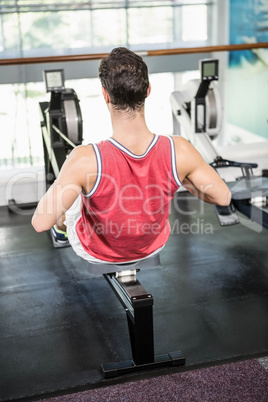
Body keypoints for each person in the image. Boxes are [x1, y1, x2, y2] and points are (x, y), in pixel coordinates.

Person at [32, 47, 231, 264]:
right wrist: (183, 179)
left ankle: (63, 229)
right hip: (153, 246)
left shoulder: (83, 159)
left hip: (96, 252)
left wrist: (66, 178)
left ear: (105, 95)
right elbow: (223, 197)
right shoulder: (180, 149)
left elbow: (40, 223)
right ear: (148, 90)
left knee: (74, 191)